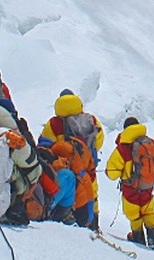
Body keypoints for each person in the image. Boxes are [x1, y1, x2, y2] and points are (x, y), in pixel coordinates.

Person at [39, 90, 103, 229]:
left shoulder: (54, 123)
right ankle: (93, 224)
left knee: (73, 192)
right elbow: (99, 140)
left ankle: (71, 218)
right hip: (88, 168)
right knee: (92, 193)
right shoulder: (91, 120)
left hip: (67, 168)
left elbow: (46, 147)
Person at [106, 117, 154, 249]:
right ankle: (153, 238)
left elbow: (112, 173)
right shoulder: (151, 143)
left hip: (131, 187)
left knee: (134, 214)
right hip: (147, 185)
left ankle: (138, 239)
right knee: (148, 211)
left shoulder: (123, 148)